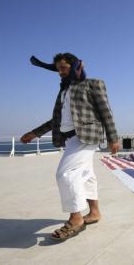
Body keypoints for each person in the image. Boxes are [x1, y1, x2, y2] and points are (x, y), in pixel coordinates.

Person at [20, 53, 119, 241]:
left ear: (75, 67)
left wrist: (113, 138)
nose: (59, 72)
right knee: (86, 176)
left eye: (63, 68)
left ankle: (76, 219)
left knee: (65, 174)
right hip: (69, 138)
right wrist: (35, 133)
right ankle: (95, 212)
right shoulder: (63, 92)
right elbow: (56, 120)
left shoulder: (93, 84)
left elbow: (106, 112)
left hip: (86, 136)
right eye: (57, 69)